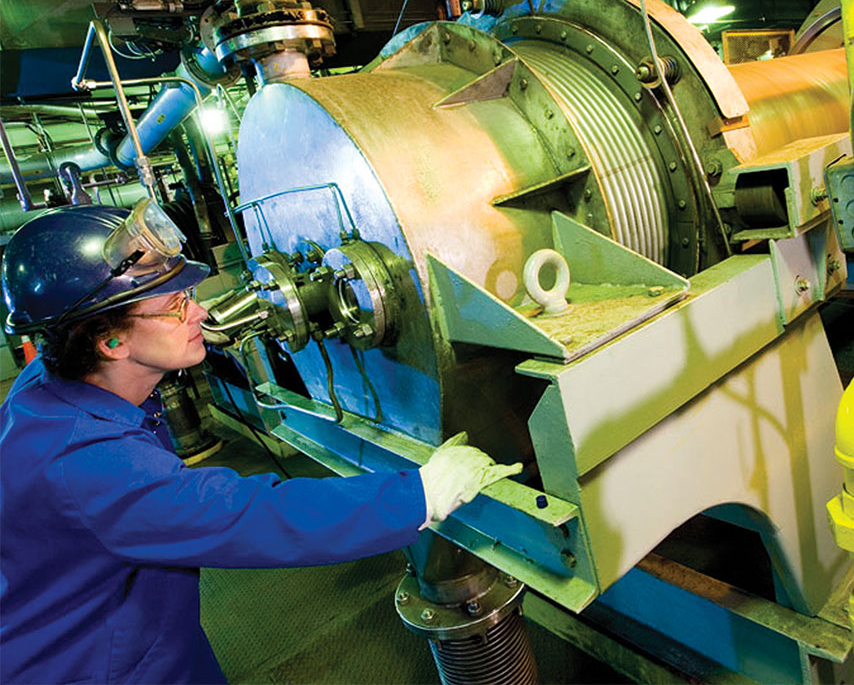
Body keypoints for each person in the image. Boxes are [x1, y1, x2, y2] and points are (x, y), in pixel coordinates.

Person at [0, 203, 521, 684]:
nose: (199, 313)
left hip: (134, 627)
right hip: (99, 666)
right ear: (108, 341)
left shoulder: (48, 386)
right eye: (174, 307)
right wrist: (424, 493)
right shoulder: (84, 467)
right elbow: (249, 517)